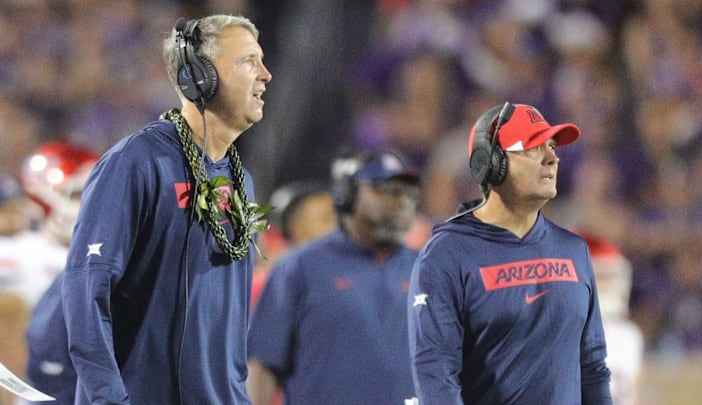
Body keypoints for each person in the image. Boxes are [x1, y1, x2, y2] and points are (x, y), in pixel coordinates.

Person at [61, 14, 272, 405]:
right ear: (199, 77)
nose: (266, 74)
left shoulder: (240, 181)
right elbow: (85, 292)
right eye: (248, 61)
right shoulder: (137, 163)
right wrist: (108, 399)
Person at [407, 102, 612, 404]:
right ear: (491, 162)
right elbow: (436, 374)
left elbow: (592, 367)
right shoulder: (447, 255)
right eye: (533, 148)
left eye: (552, 147)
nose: (552, 158)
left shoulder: (573, 249)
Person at [247, 151, 421, 405]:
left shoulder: (426, 268)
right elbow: (262, 365)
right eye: (385, 189)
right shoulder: (300, 267)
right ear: (347, 194)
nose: (401, 201)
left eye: (408, 192)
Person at [20, 142, 99, 405]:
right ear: (40, 196)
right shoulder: (15, 256)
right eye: (77, 193)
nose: (92, 202)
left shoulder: (111, 258)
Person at [581, 232, 644, 405]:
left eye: (611, 277)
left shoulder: (629, 335)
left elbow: (632, 395)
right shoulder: (563, 330)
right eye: (601, 277)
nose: (609, 285)